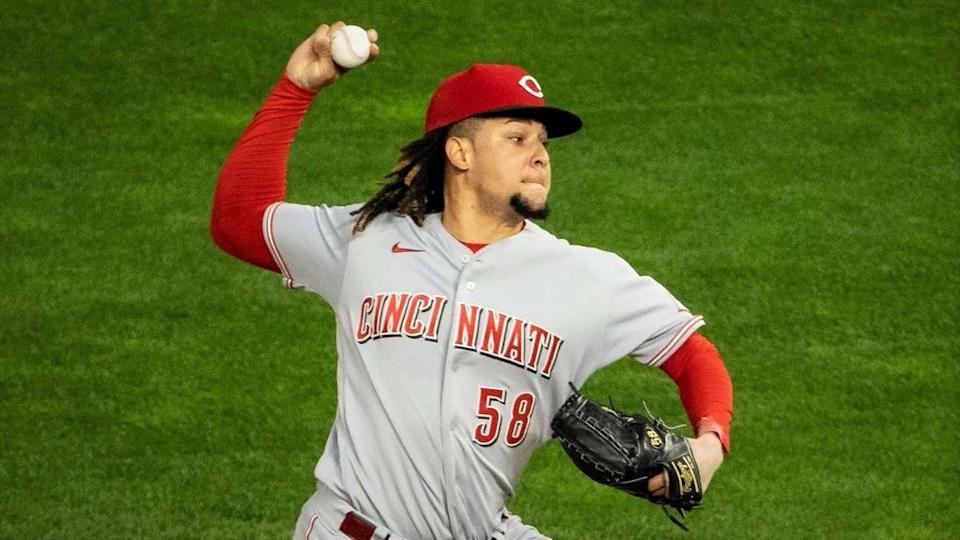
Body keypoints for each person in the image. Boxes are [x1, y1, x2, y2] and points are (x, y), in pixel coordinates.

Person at [211, 21, 733, 540]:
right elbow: (238, 220)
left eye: (543, 141)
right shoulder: (367, 239)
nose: (540, 155)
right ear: (459, 153)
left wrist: (710, 444)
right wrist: (296, 88)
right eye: (516, 137)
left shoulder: (586, 276)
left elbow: (692, 354)